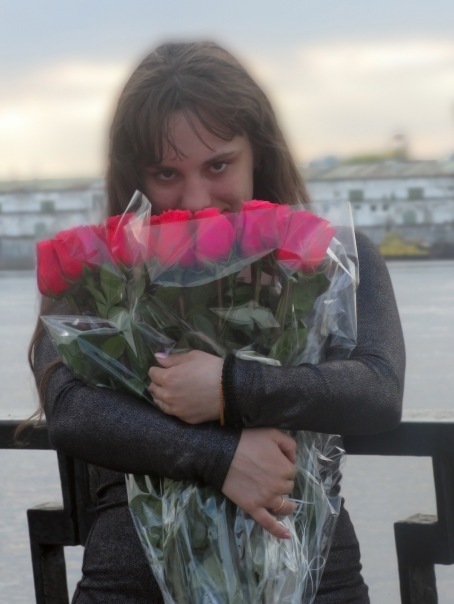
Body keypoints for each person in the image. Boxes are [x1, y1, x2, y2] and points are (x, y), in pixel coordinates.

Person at [29, 41, 405, 603]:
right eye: (166, 173)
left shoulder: (330, 259)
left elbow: (377, 390)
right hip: (132, 585)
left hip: (311, 577)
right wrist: (219, 458)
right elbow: (70, 408)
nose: (196, 197)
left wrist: (231, 387)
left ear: (259, 156)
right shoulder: (97, 269)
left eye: (219, 165)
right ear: (135, 174)